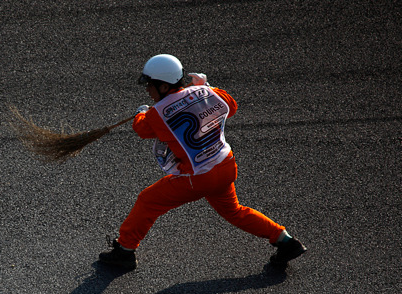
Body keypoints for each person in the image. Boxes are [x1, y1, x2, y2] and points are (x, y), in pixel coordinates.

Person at [99, 54, 306, 271]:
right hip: (225, 166)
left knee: (147, 200)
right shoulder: (207, 93)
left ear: (162, 86)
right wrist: (206, 87)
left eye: (150, 85)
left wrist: (140, 113)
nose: (147, 90)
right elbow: (231, 106)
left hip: (198, 177)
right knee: (234, 211)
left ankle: (125, 250)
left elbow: (142, 129)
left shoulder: (156, 114)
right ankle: (285, 240)